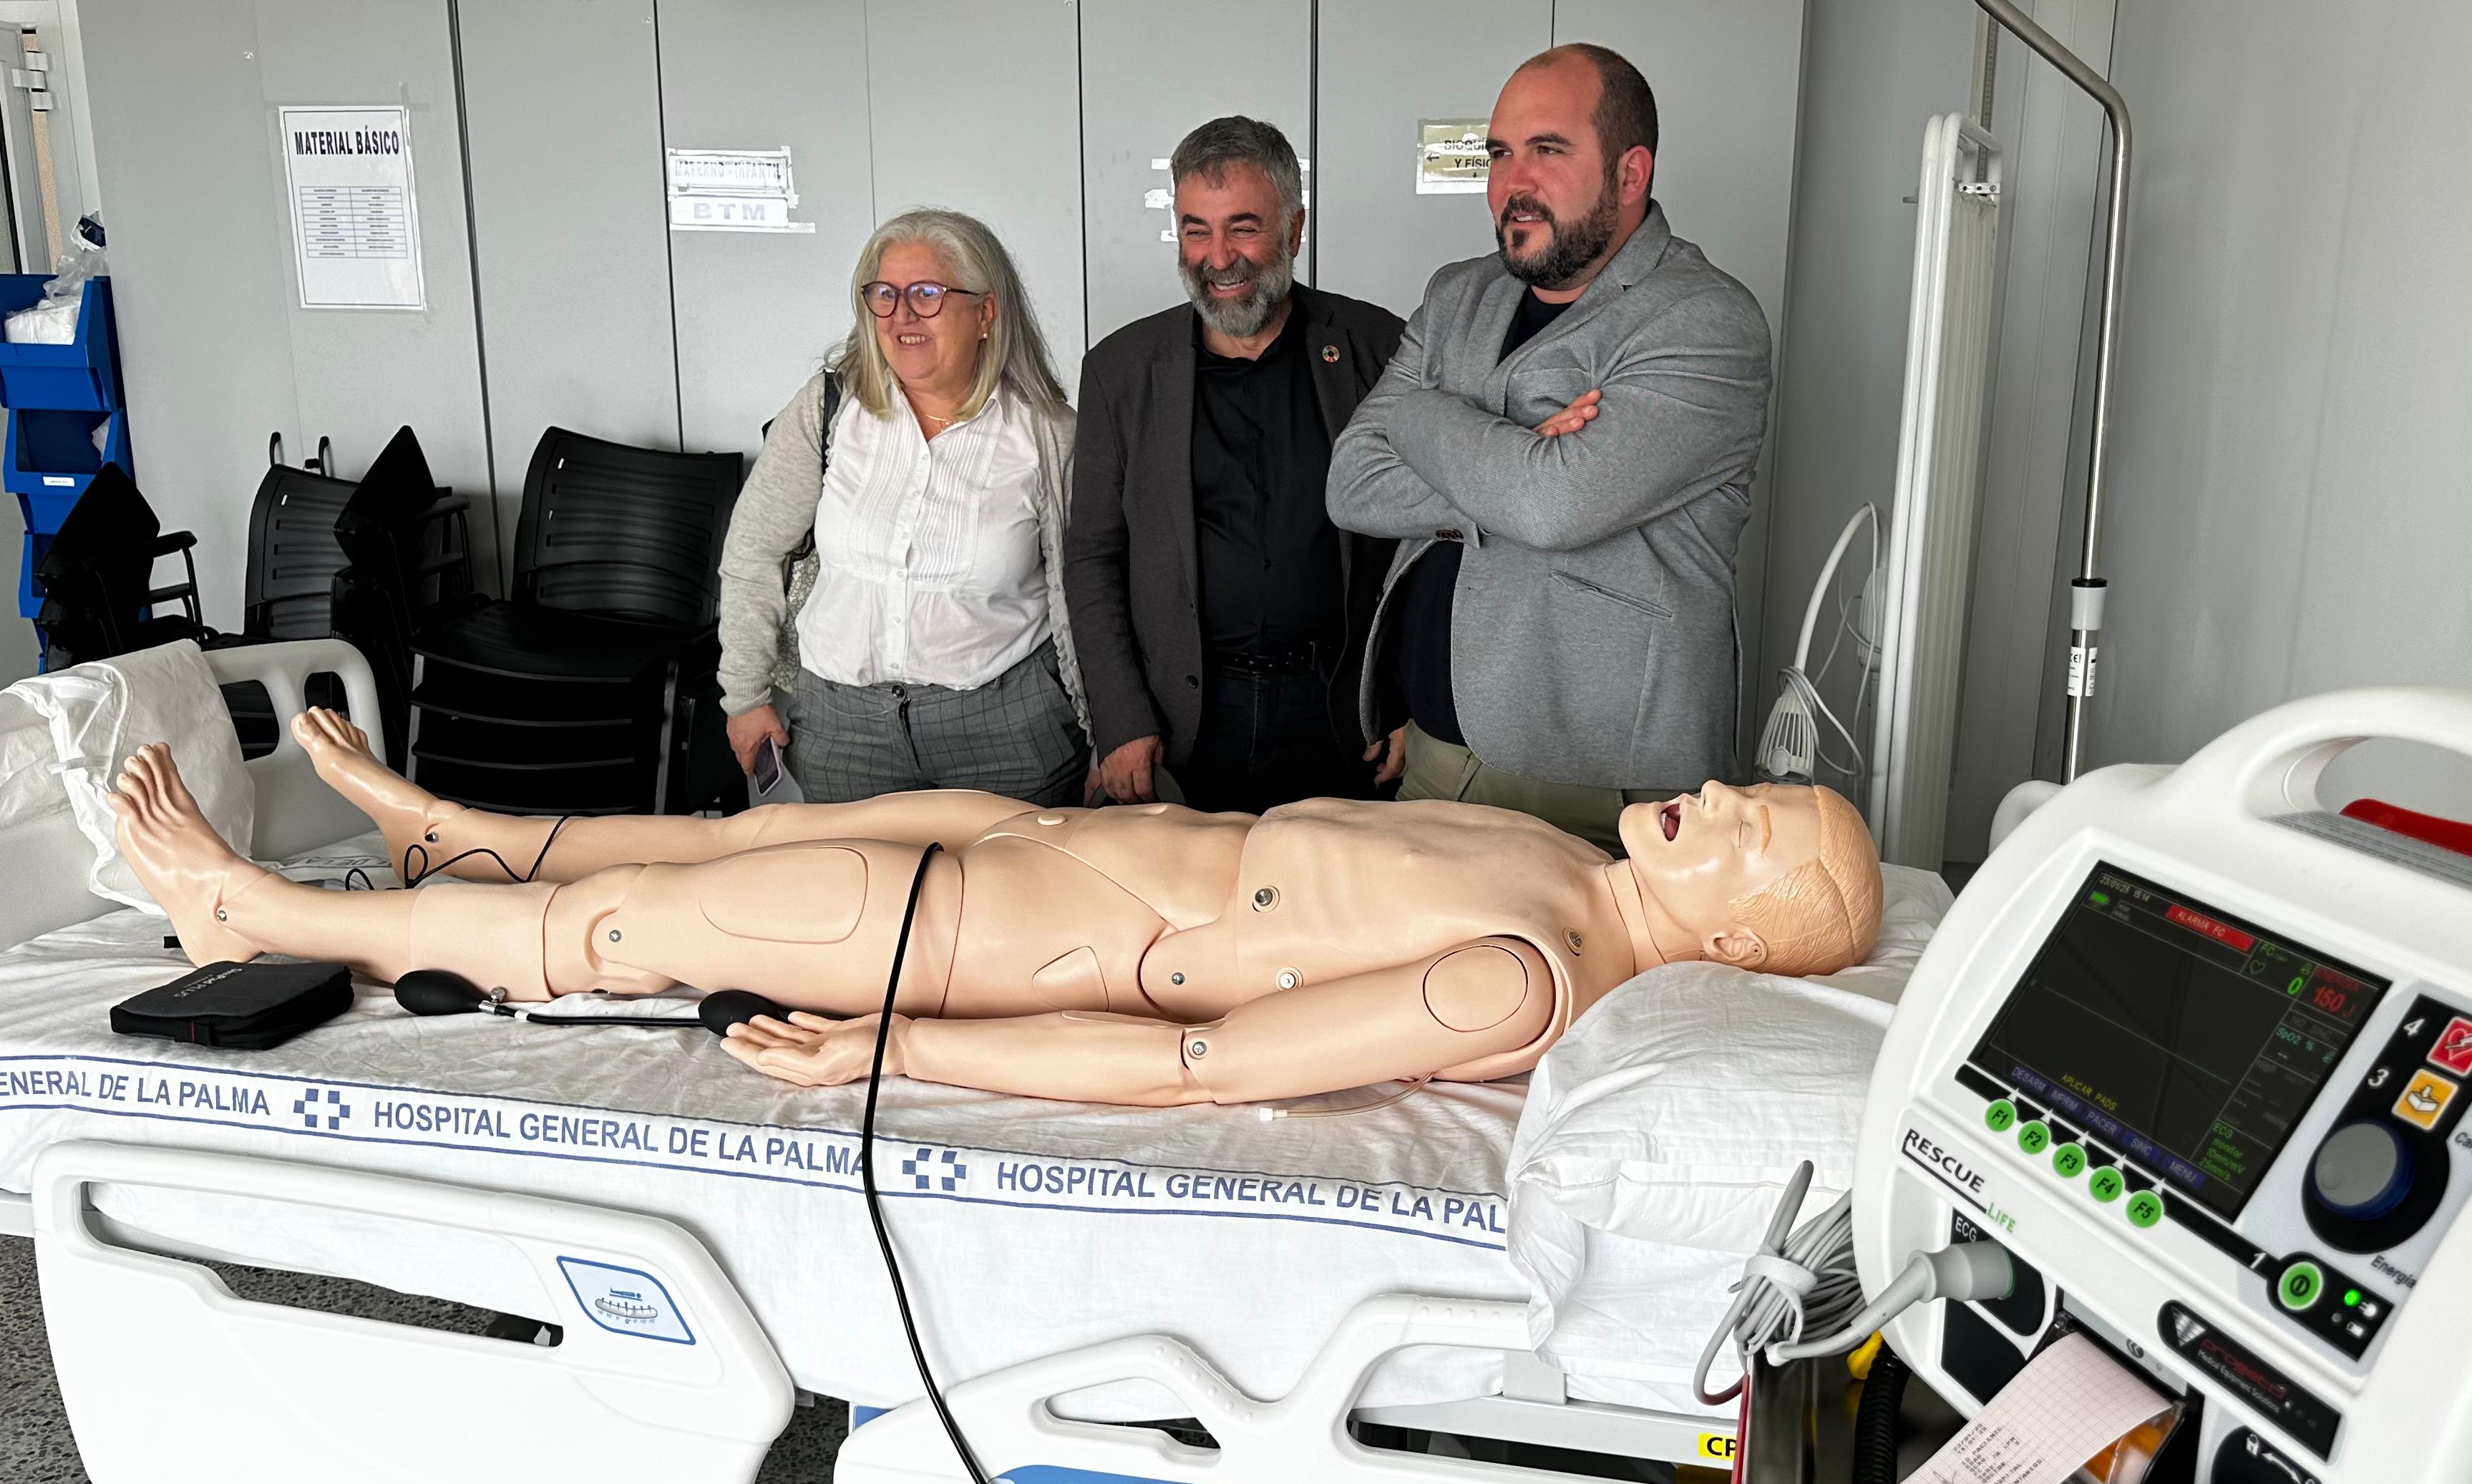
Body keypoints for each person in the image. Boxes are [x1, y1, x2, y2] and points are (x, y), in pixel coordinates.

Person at [106, 708, 1881, 1109]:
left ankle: (260, 916)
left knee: (633, 931)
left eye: (1752, 839)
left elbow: (1201, 1059)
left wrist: (896, 1046)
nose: (1720, 804)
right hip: (1047, 837)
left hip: (1014, 943)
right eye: (1754, 790)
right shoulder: (1571, 859)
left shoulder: (1526, 976)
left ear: (1727, 944)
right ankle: (447, 829)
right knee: (728, 842)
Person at [1327, 44, 1773, 852]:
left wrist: (1421, 417)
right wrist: (1519, 456)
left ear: (1630, 174)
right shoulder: (1458, 293)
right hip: (1433, 752)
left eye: (1548, 150)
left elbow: (1553, 505)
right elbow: (1351, 483)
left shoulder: (1704, 322)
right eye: (1500, 153)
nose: (1511, 182)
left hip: (1600, 789)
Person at [1066, 117, 1406, 814]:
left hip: (1341, 716)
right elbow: (1092, 556)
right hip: (1182, 725)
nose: (1218, 257)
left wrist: (1405, 698)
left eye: (1243, 227)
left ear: (1294, 230)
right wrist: (1123, 720)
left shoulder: (1377, 348)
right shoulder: (1120, 372)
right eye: (1197, 230)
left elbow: (1423, 542)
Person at [715, 209, 1089, 808]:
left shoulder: (1048, 435)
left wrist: (1103, 732)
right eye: (884, 295)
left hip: (1009, 736)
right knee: (861, 899)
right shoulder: (829, 408)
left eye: (928, 294)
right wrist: (745, 694)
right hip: (843, 734)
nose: (902, 314)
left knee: (1005, 900)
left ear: (986, 313)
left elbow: (1086, 595)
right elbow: (755, 548)